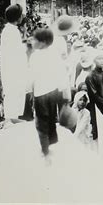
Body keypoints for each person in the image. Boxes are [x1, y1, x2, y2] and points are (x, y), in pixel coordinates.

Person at [29, 28, 70, 163]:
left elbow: (31, 76)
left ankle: (45, 151)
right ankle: (51, 145)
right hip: (54, 92)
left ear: (43, 42)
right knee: (52, 118)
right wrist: (64, 92)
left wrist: (29, 90)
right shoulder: (54, 54)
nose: (32, 41)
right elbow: (62, 74)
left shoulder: (35, 56)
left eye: (35, 39)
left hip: (41, 93)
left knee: (41, 121)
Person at [0, 4, 28, 123]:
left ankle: (12, 121)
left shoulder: (9, 30)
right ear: (17, 17)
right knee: (13, 104)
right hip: (13, 73)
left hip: (11, 73)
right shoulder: (11, 32)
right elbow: (18, 54)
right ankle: (12, 123)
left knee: (13, 101)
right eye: (21, 14)